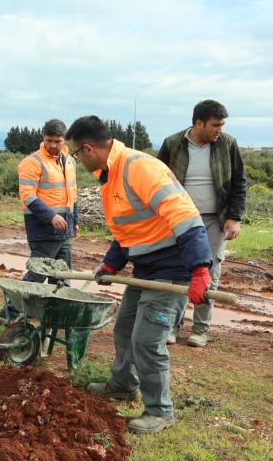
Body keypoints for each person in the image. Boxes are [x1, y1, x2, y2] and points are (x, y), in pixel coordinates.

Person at [65, 116, 212, 434]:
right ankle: (121, 385)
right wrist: (111, 264)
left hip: (172, 271)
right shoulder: (110, 175)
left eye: (76, 153)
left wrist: (200, 269)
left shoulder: (139, 168)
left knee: (147, 342)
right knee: (125, 330)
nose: (77, 159)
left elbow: (185, 216)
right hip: (145, 269)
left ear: (88, 148)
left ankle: (160, 411)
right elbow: (126, 230)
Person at [158, 100, 246, 347]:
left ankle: (200, 329)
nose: (220, 129)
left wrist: (234, 217)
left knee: (209, 272)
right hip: (179, 219)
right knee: (176, 272)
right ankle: (171, 327)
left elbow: (239, 182)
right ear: (199, 123)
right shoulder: (172, 143)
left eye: (222, 125)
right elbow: (157, 181)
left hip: (214, 220)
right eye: (215, 125)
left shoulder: (227, 144)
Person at [0, 119, 79, 322]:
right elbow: (28, 196)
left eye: (58, 141)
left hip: (64, 229)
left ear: (64, 140)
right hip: (43, 230)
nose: (53, 145)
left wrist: (74, 220)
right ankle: (10, 312)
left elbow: (73, 193)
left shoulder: (69, 161)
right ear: (43, 138)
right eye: (49, 140)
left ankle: (55, 315)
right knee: (37, 274)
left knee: (62, 275)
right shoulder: (32, 162)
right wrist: (51, 216)